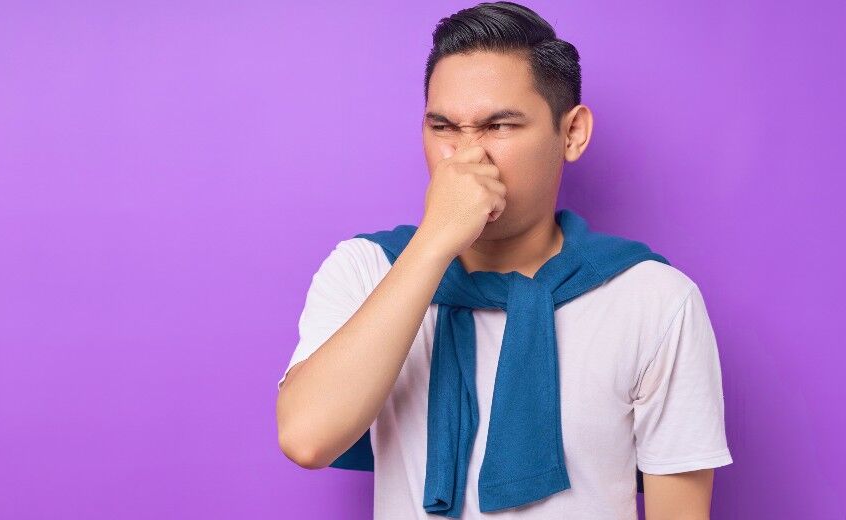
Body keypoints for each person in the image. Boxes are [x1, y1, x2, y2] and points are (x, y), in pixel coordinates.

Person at [275, 2, 732, 519]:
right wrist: (435, 240)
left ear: (572, 133)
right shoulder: (367, 270)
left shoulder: (654, 300)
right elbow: (307, 438)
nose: (467, 157)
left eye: (499, 126)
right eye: (443, 127)